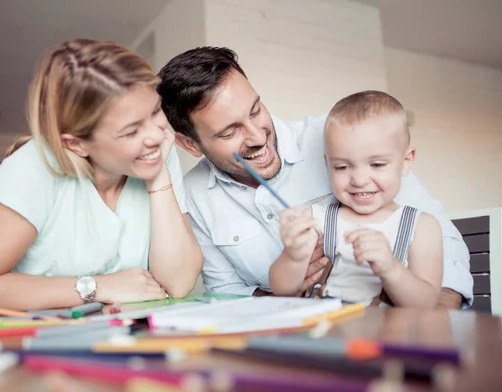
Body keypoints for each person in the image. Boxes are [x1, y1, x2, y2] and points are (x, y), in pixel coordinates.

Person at [157, 46, 472, 309]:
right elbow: (227, 292)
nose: (256, 136)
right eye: (229, 131)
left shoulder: (339, 138)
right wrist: (294, 298)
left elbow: (441, 238)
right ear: (190, 144)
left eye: (255, 111)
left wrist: (434, 316)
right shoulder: (195, 195)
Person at [0, 39, 203, 311]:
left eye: (155, 111)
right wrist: (99, 286)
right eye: (131, 131)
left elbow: (179, 283)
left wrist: (158, 179)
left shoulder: (156, 153)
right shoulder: (30, 168)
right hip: (39, 340)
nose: (157, 135)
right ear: (76, 143)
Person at [270, 91, 443, 308]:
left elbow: (427, 304)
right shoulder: (317, 219)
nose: (359, 180)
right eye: (342, 167)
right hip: (328, 334)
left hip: (387, 337)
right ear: (328, 164)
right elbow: (281, 289)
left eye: (377, 164)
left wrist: (391, 268)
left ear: (406, 161)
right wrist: (293, 256)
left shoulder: (421, 226)